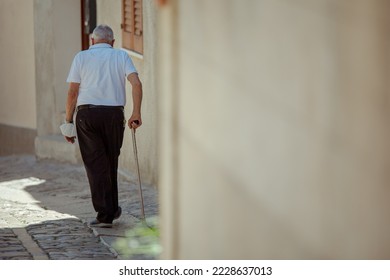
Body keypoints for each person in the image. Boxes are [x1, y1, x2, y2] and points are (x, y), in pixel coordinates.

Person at [63, 24, 143, 228]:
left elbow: (72, 92)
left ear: (92, 41)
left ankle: (105, 214)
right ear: (113, 42)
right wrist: (136, 112)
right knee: (110, 161)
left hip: (87, 115)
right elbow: (136, 84)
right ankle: (111, 209)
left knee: (95, 164)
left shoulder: (81, 57)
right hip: (114, 115)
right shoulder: (121, 56)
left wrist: (68, 121)